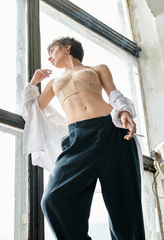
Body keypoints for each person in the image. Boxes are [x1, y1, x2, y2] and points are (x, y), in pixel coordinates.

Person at [22, 37, 145, 239]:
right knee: (53, 200)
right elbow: (33, 110)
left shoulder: (98, 68)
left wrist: (124, 112)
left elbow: (113, 94)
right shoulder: (53, 83)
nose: (49, 58)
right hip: (77, 138)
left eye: (52, 52)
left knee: (125, 205)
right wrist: (34, 82)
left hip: (111, 132)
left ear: (67, 48)